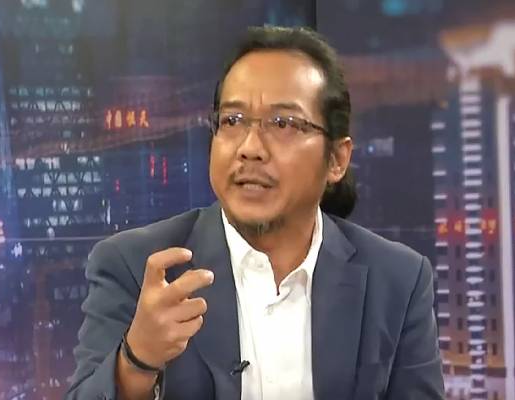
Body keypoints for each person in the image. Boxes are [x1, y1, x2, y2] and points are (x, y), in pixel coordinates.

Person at [65, 25, 445, 400]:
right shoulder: (136, 267)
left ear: (336, 159)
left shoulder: (397, 280)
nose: (250, 148)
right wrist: (136, 361)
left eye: (283, 123)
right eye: (232, 121)